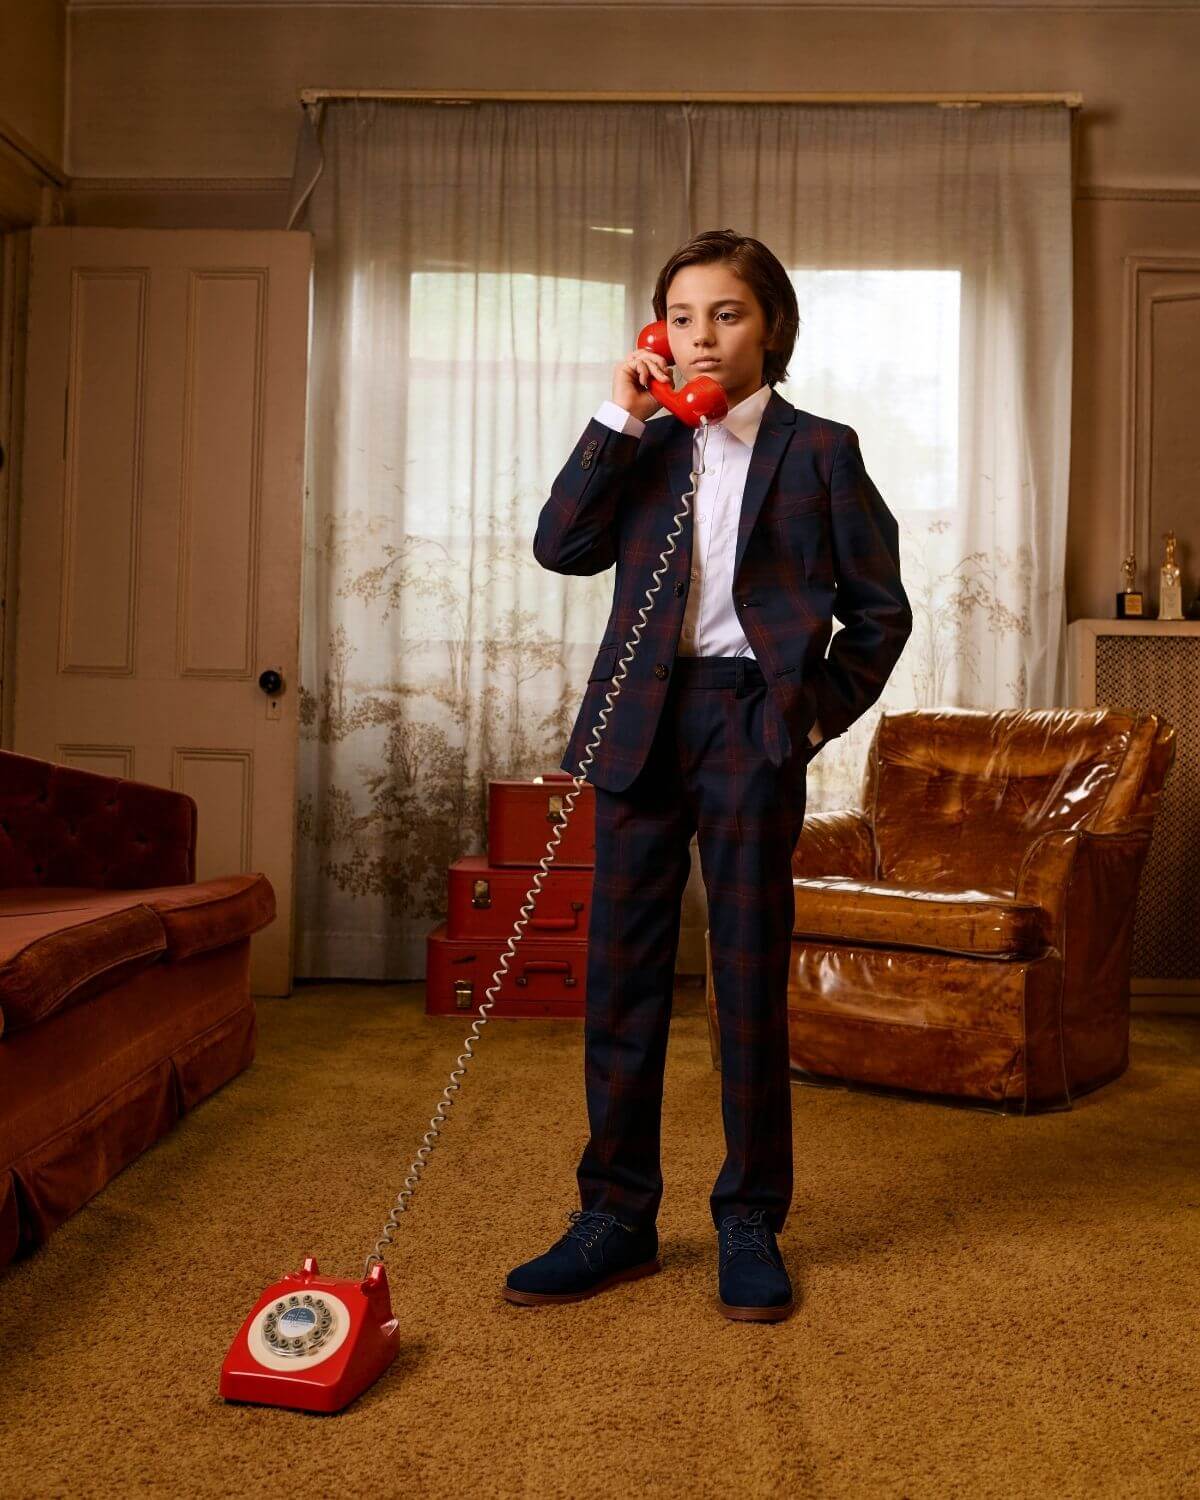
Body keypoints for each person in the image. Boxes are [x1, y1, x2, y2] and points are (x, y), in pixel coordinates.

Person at [505, 229, 912, 1322]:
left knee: (745, 981)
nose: (701, 336)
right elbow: (559, 547)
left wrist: (809, 718)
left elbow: (881, 612)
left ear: (770, 326)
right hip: (641, 726)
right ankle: (615, 1216)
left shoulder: (822, 449)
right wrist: (621, 418)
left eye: (724, 314)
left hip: (751, 723)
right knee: (622, 976)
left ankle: (748, 1221)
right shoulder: (638, 445)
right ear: (655, 331)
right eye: (681, 317)